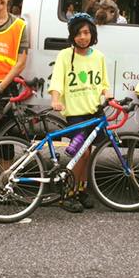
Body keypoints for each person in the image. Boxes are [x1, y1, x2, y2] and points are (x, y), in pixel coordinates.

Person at [49, 13, 111, 211]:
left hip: (94, 111)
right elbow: (57, 80)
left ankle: (81, 189)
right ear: (72, 36)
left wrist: (108, 94)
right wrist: (56, 99)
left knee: (88, 153)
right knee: (81, 153)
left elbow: (103, 83)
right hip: (76, 113)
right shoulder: (65, 55)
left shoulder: (99, 57)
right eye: (78, 33)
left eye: (86, 32)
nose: (82, 37)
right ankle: (67, 193)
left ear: (92, 34)